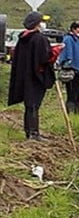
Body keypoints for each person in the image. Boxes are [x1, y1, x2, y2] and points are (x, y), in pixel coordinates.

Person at [8, 12, 57, 140]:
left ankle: (29, 131)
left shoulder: (22, 39)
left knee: (29, 105)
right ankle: (34, 134)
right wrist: (55, 52)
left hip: (24, 77)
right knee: (34, 104)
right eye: (41, 21)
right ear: (36, 24)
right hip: (36, 77)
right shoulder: (39, 39)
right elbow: (44, 58)